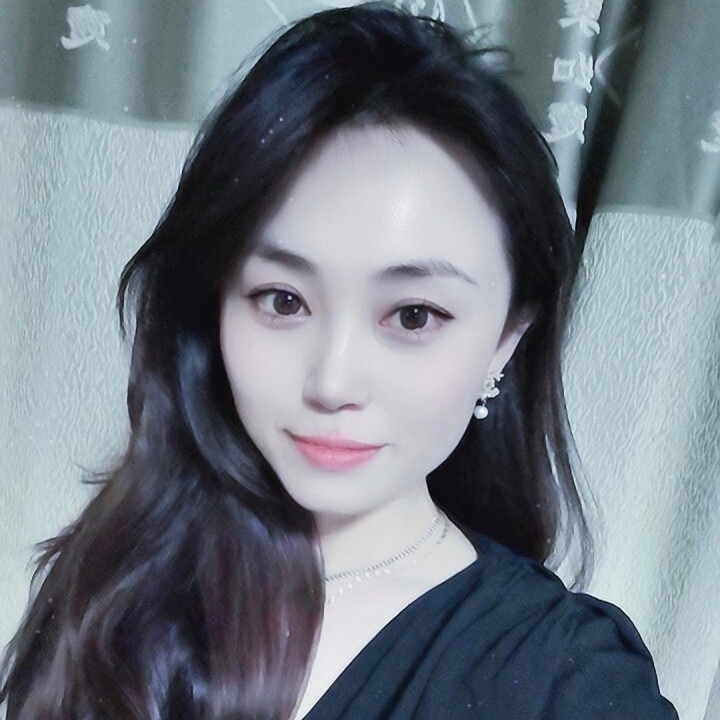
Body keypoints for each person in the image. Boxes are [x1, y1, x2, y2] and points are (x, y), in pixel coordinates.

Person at [1, 3, 678, 719]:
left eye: (414, 315)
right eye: (282, 300)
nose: (332, 382)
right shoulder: (121, 576)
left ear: (507, 338)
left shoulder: (568, 681)